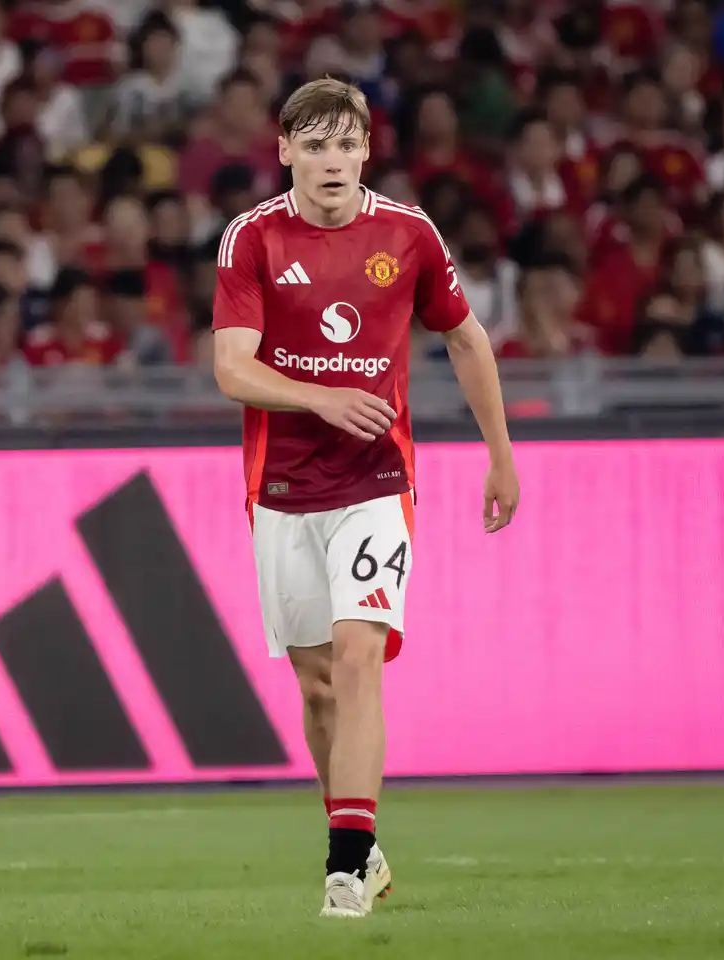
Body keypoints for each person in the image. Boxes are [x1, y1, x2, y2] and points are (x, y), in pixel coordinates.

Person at [211, 77, 520, 919]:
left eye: (346, 144)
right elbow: (231, 367)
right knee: (317, 687)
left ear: (367, 150)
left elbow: (466, 339)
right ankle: (364, 844)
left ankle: (345, 869)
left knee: (357, 657)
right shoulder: (252, 238)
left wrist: (500, 455)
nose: (332, 161)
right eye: (315, 146)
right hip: (281, 488)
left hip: (376, 482)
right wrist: (321, 398)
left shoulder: (408, 233)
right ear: (286, 152)